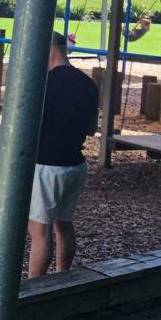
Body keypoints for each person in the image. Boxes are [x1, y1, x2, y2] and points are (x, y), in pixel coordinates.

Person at [30, 31, 101, 278]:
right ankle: (62, 278)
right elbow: (91, 129)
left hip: (47, 166)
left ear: (45, 50)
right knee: (64, 224)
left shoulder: (44, 84)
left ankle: (35, 288)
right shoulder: (88, 83)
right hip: (76, 165)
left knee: (40, 232)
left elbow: (32, 127)